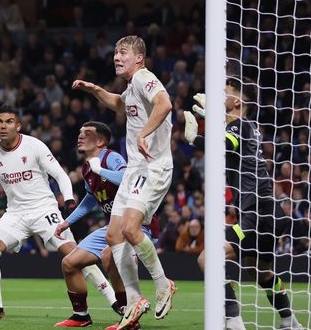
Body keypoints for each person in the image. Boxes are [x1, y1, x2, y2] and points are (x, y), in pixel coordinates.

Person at [0, 106, 114, 321]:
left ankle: (113, 300)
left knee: (75, 255)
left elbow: (60, 175)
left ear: (18, 125)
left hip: (44, 209)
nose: (3, 126)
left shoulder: (34, 146)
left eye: (8, 121)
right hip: (15, 213)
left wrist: (69, 200)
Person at [73, 35, 175, 329]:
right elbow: (119, 103)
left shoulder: (144, 77)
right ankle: (134, 301)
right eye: (116, 52)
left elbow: (164, 103)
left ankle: (162, 284)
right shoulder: (132, 87)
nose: (117, 57)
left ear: (139, 58)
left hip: (153, 167)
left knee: (130, 229)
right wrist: (95, 90)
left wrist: (144, 133)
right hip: (135, 170)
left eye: (124, 53)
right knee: (113, 235)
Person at [184, 82, 302, 330]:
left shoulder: (239, 125)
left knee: (208, 258)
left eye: (225, 92)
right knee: (260, 272)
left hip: (256, 215)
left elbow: (223, 146)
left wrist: (199, 134)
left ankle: (233, 321)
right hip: (269, 213)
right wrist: (204, 129)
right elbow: (225, 145)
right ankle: (290, 321)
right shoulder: (247, 127)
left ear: (238, 102)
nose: (219, 96)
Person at [54, 121, 159, 329]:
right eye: (79, 132)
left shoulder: (110, 157)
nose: (80, 136)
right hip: (112, 227)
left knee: (108, 256)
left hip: (135, 224)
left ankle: (128, 318)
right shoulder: (87, 168)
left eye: (88, 133)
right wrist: (68, 221)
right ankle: (81, 316)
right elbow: (90, 199)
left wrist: (100, 169)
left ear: (101, 141)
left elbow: (126, 178)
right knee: (69, 263)